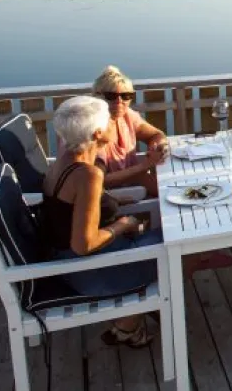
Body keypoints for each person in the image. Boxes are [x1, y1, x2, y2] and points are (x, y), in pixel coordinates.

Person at [40, 96, 163, 347]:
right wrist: (123, 225)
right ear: (98, 133)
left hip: (66, 261)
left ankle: (140, 311)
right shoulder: (88, 175)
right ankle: (129, 323)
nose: (113, 123)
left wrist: (114, 204)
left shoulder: (63, 163)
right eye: (109, 121)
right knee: (183, 250)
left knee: (165, 235)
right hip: (89, 271)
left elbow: (69, 211)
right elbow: (83, 245)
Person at [87, 66, 170, 198]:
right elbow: (99, 180)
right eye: (111, 96)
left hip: (134, 180)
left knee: (177, 191)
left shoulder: (127, 116)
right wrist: (145, 165)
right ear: (97, 97)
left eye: (126, 96)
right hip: (109, 194)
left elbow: (156, 134)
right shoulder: (94, 129)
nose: (119, 101)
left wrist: (157, 147)